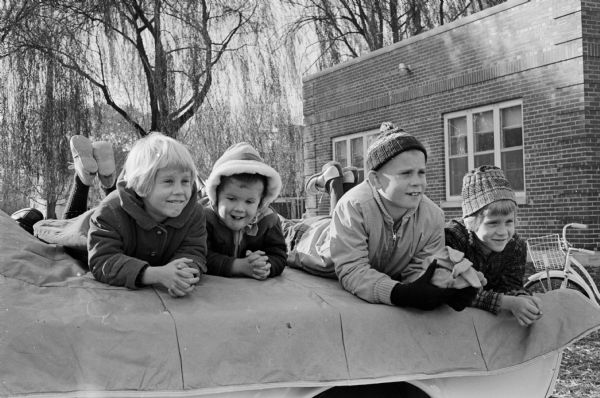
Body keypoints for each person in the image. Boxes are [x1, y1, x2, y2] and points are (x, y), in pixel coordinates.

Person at [288, 122, 476, 311]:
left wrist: (442, 287)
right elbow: (352, 270)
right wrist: (399, 293)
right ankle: (331, 181)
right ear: (375, 179)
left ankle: (337, 181)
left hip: (348, 228)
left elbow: (420, 269)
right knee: (281, 227)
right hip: (308, 240)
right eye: (406, 173)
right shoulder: (354, 206)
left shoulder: (433, 217)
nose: (417, 182)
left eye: (421, 172)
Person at [31, 133, 207, 298]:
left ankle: (107, 178)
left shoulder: (194, 213)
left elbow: (194, 250)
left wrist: (183, 272)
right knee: (65, 228)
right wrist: (154, 274)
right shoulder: (109, 211)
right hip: (86, 231)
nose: (180, 191)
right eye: (168, 181)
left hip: (125, 210)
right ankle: (83, 178)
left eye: (185, 181)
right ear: (142, 185)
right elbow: (102, 260)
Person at [444, 165, 543, 326]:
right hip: (449, 323)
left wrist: (521, 297)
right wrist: (507, 302)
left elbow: (511, 285)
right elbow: (452, 292)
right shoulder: (453, 238)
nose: (503, 232)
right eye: (493, 223)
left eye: (509, 222)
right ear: (472, 222)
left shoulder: (516, 245)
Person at [201, 142, 287, 280]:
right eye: (231, 198)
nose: (240, 209)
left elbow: (279, 254)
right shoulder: (204, 218)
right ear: (216, 197)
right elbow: (200, 255)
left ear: (260, 203)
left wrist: (265, 266)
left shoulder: (268, 220)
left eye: (249, 202)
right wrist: (238, 266)